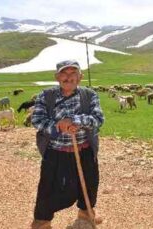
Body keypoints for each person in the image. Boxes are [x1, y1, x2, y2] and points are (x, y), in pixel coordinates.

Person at [31, 60, 104, 229]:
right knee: (48, 187)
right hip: (56, 151)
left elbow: (98, 119)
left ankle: (86, 215)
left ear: (80, 77)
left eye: (73, 73)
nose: (68, 77)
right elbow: (37, 120)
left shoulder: (89, 95)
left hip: (84, 149)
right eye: (64, 73)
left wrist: (75, 121)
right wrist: (58, 125)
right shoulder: (46, 95)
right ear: (57, 77)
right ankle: (42, 222)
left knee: (89, 182)